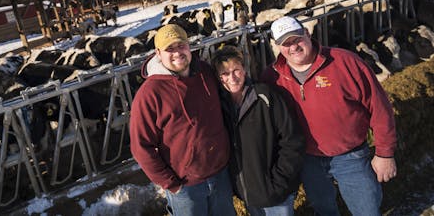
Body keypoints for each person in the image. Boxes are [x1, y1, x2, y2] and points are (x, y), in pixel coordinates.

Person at [261, 16, 398, 216]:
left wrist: (385, 153)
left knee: (367, 210)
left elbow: (379, 107)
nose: (293, 47)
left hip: (350, 157)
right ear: (277, 47)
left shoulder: (344, 62)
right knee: (323, 209)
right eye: (285, 43)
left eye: (296, 39)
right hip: (308, 160)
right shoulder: (272, 77)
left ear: (307, 34)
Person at [129, 24, 236, 216]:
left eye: (181, 46)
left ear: (189, 46)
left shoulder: (205, 71)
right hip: (186, 187)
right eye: (170, 49)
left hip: (220, 175)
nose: (177, 53)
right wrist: (171, 184)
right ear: (158, 53)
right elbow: (140, 147)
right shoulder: (149, 94)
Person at [211, 45, 305, 216]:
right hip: (248, 194)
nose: (232, 78)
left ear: (244, 69)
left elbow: (292, 139)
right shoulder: (220, 107)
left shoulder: (265, 96)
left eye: (236, 70)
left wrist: (280, 180)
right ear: (218, 78)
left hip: (276, 192)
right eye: (224, 74)